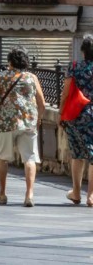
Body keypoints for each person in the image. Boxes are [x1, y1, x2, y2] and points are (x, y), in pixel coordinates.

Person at [0, 47, 45, 207]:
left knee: (2, 158)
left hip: (5, 122)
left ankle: (3, 193)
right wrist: (38, 118)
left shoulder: (2, 76)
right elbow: (41, 102)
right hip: (28, 122)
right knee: (29, 158)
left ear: (10, 61)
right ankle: (29, 194)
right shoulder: (32, 78)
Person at [62, 36, 93, 206]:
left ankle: (76, 193)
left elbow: (66, 93)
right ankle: (91, 196)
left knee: (77, 154)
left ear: (82, 51)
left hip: (76, 115)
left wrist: (61, 112)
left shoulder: (73, 67)